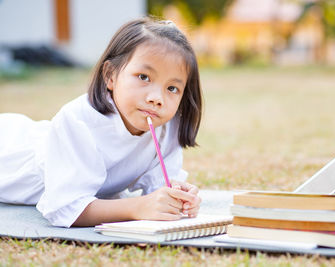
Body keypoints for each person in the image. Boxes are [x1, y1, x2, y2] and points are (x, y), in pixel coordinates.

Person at [0, 17, 203, 228]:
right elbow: (65, 209)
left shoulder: (167, 128)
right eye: (143, 77)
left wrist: (178, 198)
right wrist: (138, 207)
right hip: (9, 153)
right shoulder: (77, 121)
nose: (157, 98)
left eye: (172, 88)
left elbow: (159, 190)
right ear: (110, 75)